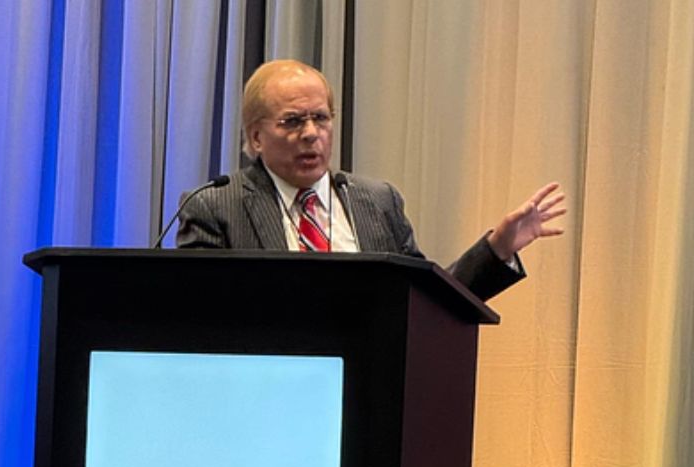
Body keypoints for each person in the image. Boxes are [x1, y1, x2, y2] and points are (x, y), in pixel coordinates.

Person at [176, 59, 566, 301]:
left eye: (321, 118)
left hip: (372, 384)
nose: (311, 134)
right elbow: (197, 313)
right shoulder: (216, 206)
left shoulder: (378, 201)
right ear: (257, 137)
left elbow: (428, 304)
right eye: (292, 121)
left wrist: (497, 248)